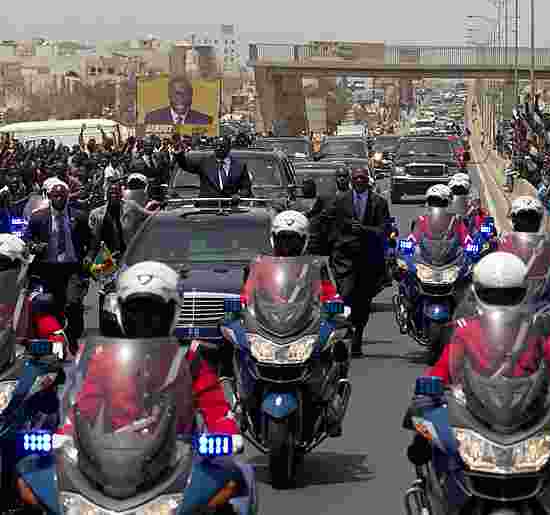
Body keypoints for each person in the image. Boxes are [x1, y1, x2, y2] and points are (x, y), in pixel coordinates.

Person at [58, 261, 239, 437]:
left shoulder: (188, 357)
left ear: (171, 312)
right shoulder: (107, 358)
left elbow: (216, 408)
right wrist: (66, 434)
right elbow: (83, 409)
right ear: (121, 312)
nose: (143, 319)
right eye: (135, 311)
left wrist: (227, 432)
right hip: (117, 457)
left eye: (154, 312)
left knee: (233, 468)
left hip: (178, 457)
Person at [239, 211, 349, 436]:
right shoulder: (259, 264)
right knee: (234, 344)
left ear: (304, 240)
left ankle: (331, 404)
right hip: (267, 324)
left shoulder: (316, 266)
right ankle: (237, 404)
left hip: (305, 324)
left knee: (338, 345)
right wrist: (240, 310)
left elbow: (329, 294)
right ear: (273, 239)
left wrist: (337, 307)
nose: (287, 244)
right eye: (283, 238)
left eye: (293, 239)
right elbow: (247, 294)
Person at [425, 251, 550, 387]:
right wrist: (430, 388)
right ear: (477, 294)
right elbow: (440, 372)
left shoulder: (539, 332)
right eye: (492, 295)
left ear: (524, 293)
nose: (501, 302)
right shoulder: (464, 332)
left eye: (509, 295)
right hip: (474, 412)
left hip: (532, 414)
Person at [321, 166, 390, 357]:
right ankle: (345, 332)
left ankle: (358, 335)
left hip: (368, 259)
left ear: (367, 180)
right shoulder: (340, 200)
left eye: (362, 179)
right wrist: (333, 240)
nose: (359, 182)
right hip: (344, 258)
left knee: (363, 302)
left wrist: (365, 229)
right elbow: (327, 221)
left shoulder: (379, 202)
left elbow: (384, 229)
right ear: (352, 181)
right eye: (356, 179)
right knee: (346, 295)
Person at [27, 179, 90, 353]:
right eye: (56, 196)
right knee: (54, 307)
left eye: (63, 196)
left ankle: (74, 334)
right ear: (50, 197)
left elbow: (91, 241)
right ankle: (58, 344)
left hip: (72, 267)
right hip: (50, 268)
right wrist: (34, 246)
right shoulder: (39, 217)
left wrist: (90, 256)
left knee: (73, 302)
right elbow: (28, 239)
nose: (60, 199)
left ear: (68, 197)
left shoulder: (79, 216)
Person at [87, 178, 159, 260]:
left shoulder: (131, 207)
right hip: (106, 259)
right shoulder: (97, 214)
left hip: (128, 256)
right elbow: (95, 240)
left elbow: (150, 216)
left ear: (121, 194)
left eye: (116, 191)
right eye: (111, 192)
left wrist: (161, 209)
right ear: (107, 194)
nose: (113, 194)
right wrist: (90, 256)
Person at [173, 136, 253, 199]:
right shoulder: (204, 163)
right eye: (216, 146)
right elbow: (185, 165)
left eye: (222, 146)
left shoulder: (239, 166)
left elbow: (246, 187)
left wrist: (239, 195)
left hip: (231, 210)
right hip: (206, 210)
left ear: (229, 148)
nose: (218, 148)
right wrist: (179, 154)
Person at [144, 75, 214, 125]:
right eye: (177, 93)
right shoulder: (152, 118)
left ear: (191, 96)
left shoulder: (205, 121)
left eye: (186, 93)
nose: (181, 98)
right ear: (169, 95)